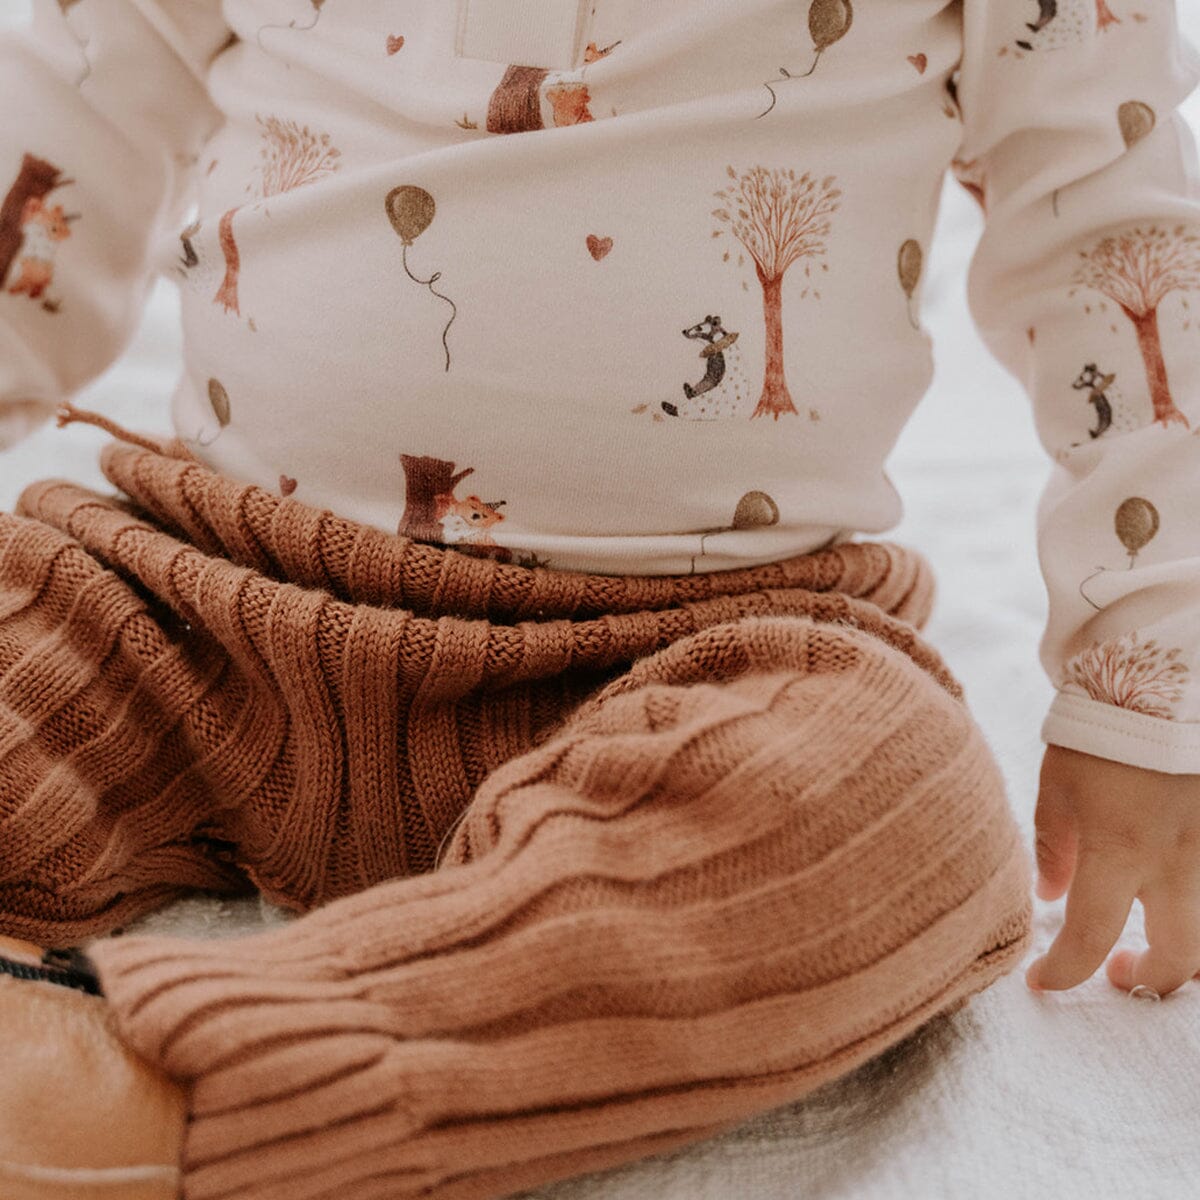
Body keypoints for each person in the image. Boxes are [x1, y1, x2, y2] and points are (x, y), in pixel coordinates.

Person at [0, 1, 1197, 1196]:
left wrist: (1152, 667)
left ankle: (181, 1081)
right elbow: (77, 109)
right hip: (201, 611)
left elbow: (1110, 222)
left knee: (902, 798)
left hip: (698, 654)